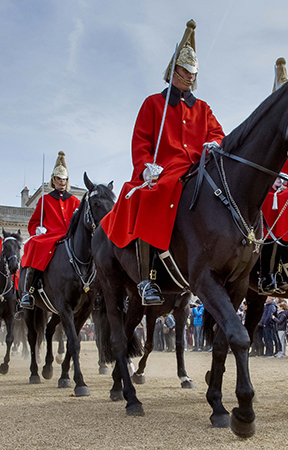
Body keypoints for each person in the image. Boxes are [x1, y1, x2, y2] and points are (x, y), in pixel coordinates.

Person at [101, 20, 225, 306]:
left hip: (197, 166)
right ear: (172, 71)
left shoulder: (203, 108)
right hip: (163, 170)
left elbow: (217, 133)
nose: (189, 77)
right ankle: (147, 279)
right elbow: (141, 141)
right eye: (184, 71)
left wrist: (214, 143)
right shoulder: (152, 103)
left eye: (193, 73)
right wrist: (145, 165)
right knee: (150, 195)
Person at [19, 152, 81, 309]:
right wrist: (37, 230)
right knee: (33, 244)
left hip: (69, 235)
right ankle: (28, 291)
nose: (62, 182)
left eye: (64, 179)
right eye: (59, 179)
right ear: (53, 181)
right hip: (50, 236)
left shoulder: (74, 201)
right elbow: (33, 222)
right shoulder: (44, 199)